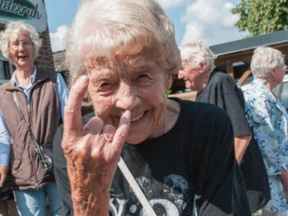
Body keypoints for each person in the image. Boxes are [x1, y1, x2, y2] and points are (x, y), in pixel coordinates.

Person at [53, 0, 250, 215]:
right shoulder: (77, 145)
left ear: (167, 75)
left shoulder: (208, 128)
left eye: (142, 76)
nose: (127, 101)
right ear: (88, 91)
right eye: (106, 84)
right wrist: (88, 200)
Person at [177, 42, 270, 214]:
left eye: (183, 68)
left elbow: (242, 135)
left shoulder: (221, 82)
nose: (179, 75)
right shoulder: (202, 92)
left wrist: (224, 178)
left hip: (241, 190)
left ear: (201, 66)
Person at [0, 21, 68, 216]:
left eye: (26, 42)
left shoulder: (54, 80)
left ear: (35, 46)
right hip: (23, 175)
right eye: (15, 44)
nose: (21, 48)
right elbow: (3, 137)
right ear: (8, 50)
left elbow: (71, 122)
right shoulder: (2, 93)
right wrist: (2, 164)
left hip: (57, 170)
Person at [243, 46, 288, 216]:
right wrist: (285, 177)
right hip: (269, 184)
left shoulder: (264, 94)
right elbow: (266, 143)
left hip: (275, 181)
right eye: (283, 67)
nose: (284, 70)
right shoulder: (258, 97)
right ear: (273, 69)